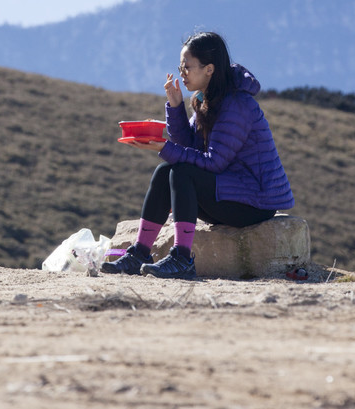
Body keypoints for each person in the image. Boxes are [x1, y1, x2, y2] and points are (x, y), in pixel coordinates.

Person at [101, 31, 294, 280]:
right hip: (228, 192)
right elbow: (189, 146)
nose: (182, 73)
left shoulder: (237, 105)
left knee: (180, 172)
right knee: (165, 171)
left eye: (187, 67)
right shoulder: (206, 99)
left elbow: (213, 163)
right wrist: (175, 106)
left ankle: (182, 259)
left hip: (254, 202)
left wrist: (163, 148)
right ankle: (140, 253)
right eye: (180, 67)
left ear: (209, 69)